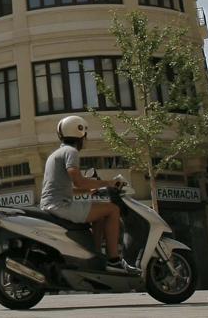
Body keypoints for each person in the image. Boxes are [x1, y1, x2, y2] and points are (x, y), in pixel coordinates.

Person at [40, 115, 136, 273]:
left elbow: (64, 188)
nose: (86, 139)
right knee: (113, 209)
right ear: (79, 134)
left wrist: (89, 191)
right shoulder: (71, 152)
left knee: (100, 213)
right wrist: (109, 183)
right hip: (60, 206)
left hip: (52, 204)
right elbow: (78, 181)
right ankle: (114, 260)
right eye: (85, 135)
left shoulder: (55, 155)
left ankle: (96, 255)